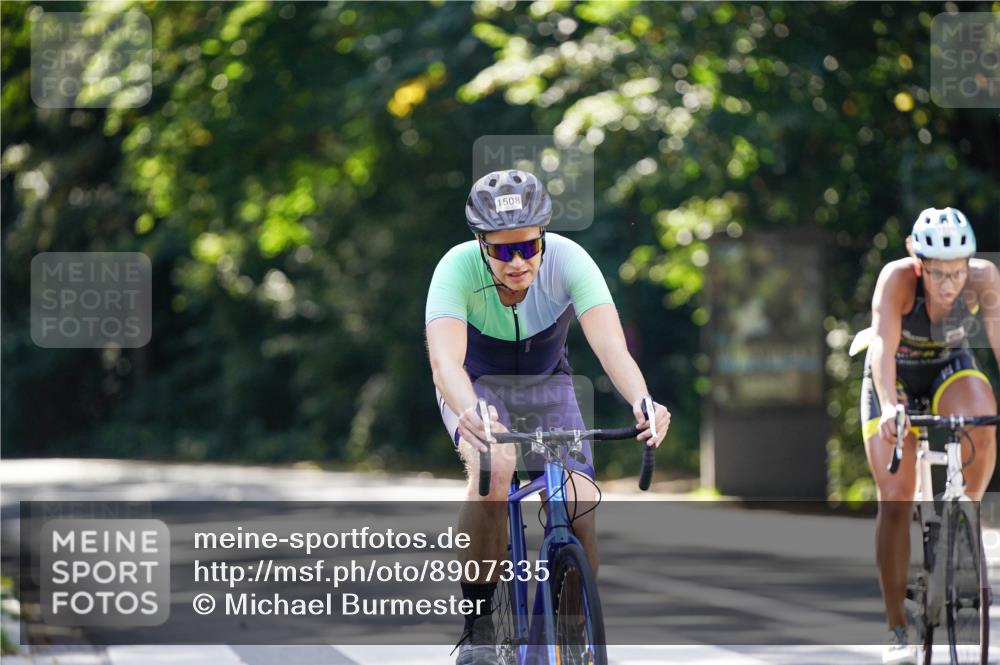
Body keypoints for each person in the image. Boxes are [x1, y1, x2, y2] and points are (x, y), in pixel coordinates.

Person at [425, 169, 671, 665]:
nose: (518, 262)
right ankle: (478, 627)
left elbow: (612, 349)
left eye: (528, 247)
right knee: (494, 473)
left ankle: (571, 631)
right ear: (481, 244)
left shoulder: (569, 259)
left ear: (543, 236)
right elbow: (445, 363)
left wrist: (643, 400)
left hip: (547, 382)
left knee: (579, 501)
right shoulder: (456, 268)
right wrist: (472, 412)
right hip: (475, 385)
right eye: (503, 251)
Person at [859, 207, 1000, 664]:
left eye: (957, 272)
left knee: (982, 418)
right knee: (895, 496)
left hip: (947, 366)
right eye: (938, 272)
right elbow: (882, 346)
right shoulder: (897, 279)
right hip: (894, 376)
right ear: (919, 263)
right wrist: (889, 406)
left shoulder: (984, 278)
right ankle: (896, 626)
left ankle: (963, 522)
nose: (948, 283)